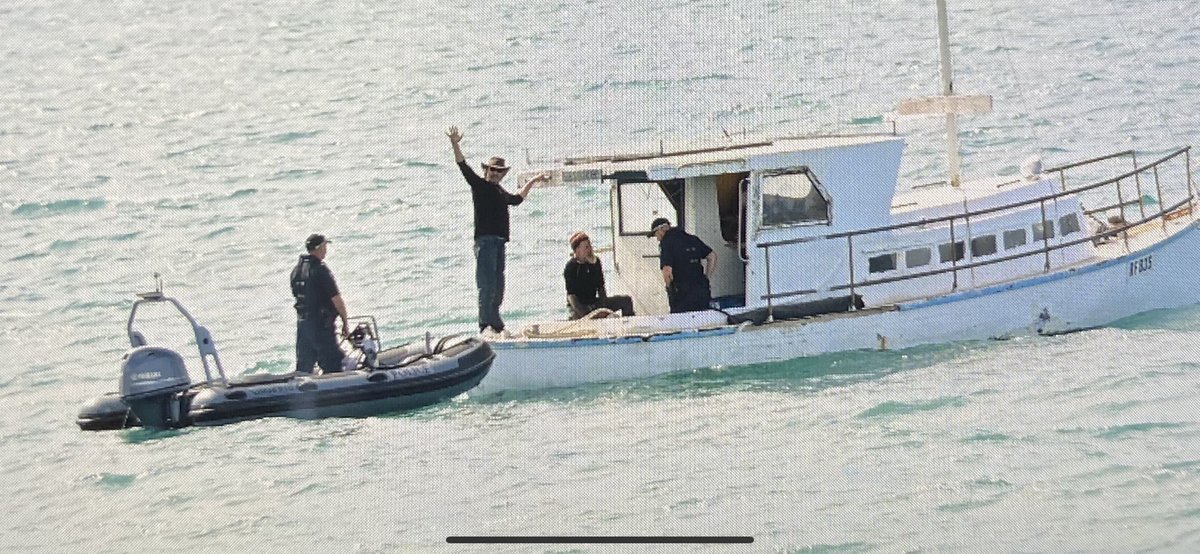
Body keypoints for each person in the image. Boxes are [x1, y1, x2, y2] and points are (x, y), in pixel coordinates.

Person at [447, 125, 549, 335]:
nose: (494, 174)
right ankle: (485, 325)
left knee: (498, 286)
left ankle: (495, 322)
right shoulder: (479, 185)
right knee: (486, 286)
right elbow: (462, 165)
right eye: (492, 170)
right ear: (486, 170)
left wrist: (534, 180)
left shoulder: (500, 191)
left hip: (499, 242)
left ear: (502, 175)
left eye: (499, 171)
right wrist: (455, 144)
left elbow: (517, 199)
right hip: (485, 242)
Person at [290, 233, 350, 374]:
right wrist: (345, 322)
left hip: (303, 326)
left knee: (304, 367)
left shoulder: (296, 271)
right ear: (319, 248)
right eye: (324, 246)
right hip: (321, 327)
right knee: (332, 366)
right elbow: (337, 299)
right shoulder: (320, 270)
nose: (326, 250)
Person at [649, 217, 716, 313]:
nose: (657, 239)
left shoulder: (666, 242)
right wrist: (706, 277)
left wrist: (669, 289)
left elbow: (667, 271)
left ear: (660, 230)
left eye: (655, 235)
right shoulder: (693, 238)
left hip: (682, 294)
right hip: (701, 291)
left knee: (681, 324)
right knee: (701, 321)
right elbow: (712, 256)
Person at [563, 231, 635, 319]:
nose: (589, 249)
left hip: (594, 302)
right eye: (586, 247)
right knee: (576, 317)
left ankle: (629, 327)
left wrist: (602, 308)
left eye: (590, 246)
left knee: (626, 300)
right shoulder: (571, 267)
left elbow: (601, 287)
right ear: (577, 250)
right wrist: (586, 316)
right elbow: (571, 297)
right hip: (579, 306)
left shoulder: (595, 262)